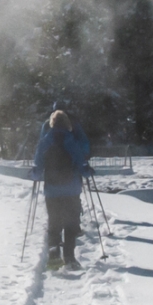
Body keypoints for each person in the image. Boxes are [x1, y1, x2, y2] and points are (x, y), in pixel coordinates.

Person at [29, 106, 93, 270]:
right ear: (67, 124)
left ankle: (54, 257)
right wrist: (87, 171)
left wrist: (35, 175)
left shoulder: (44, 142)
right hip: (71, 189)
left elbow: (38, 165)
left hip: (52, 190)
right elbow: (81, 162)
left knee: (54, 224)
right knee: (71, 224)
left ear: (51, 123)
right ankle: (70, 258)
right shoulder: (71, 141)